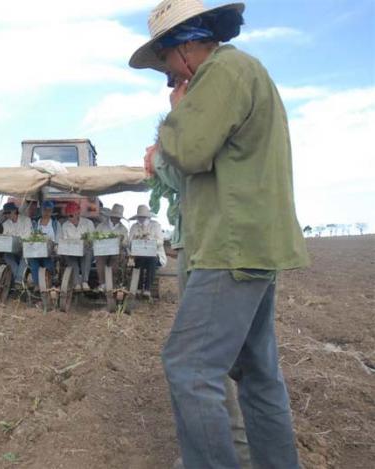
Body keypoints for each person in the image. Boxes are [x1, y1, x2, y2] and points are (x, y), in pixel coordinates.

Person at [129, 1, 309, 467]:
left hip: (229, 247)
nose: (171, 78)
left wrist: (175, 115)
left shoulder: (221, 72)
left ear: (185, 46)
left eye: (167, 66)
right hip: (255, 243)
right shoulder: (247, 71)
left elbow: (188, 150)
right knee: (257, 373)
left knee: (188, 368)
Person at [151, 144, 251, 468]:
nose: (174, 91)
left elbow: (186, 175)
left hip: (211, 254)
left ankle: (220, 457)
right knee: (242, 364)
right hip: (209, 249)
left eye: (176, 87)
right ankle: (243, 453)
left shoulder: (202, 145)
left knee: (195, 361)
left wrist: (158, 159)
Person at [128, 205, 166, 298]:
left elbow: (161, 241)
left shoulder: (155, 225)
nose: (141, 218)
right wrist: (136, 240)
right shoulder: (134, 226)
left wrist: (150, 241)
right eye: (140, 216)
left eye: (143, 216)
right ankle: (139, 287)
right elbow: (129, 242)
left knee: (152, 259)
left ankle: (147, 289)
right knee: (138, 260)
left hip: (155, 255)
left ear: (148, 217)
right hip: (139, 255)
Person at [60, 202, 95, 291]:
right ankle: (76, 282)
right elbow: (64, 240)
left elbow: (92, 239)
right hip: (71, 251)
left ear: (77, 214)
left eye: (71, 215)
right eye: (68, 216)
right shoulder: (65, 225)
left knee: (88, 252)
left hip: (85, 249)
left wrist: (87, 242)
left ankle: (84, 281)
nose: (69, 218)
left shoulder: (88, 223)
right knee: (68, 256)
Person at [94, 203, 128, 292]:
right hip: (102, 251)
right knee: (99, 259)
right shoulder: (101, 226)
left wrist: (121, 241)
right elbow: (95, 237)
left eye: (118, 217)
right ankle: (102, 283)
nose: (116, 219)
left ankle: (112, 284)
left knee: (116, 261)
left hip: (116, 252)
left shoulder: (123, 229)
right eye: (115, 217)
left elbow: (126, 243)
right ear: (111, 216)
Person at [27, 200, 59, 288]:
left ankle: (48, 283)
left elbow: (58, 239)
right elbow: (31, 236)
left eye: (49, 210)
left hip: (50, 251)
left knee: (47, 262)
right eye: (45, 210)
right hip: (36, 250)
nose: (47, 212)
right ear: (41, 210)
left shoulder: (55, 224)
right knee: (33, 261)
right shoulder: (35, 223)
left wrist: (54, 247)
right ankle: (37, 284)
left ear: (52, 211)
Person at [1, 202, 32, 285]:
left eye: (8, 212)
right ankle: (18, 279)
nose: (7, 215)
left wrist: (14, 238)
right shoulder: (5, 224)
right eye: (5, 213)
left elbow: (27, 236)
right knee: (7, 256)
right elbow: (5, 237)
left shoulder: (26, 220)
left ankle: (18, 280)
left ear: (14, 211)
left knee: (26, 255)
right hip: (11, 249)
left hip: (24, 248)